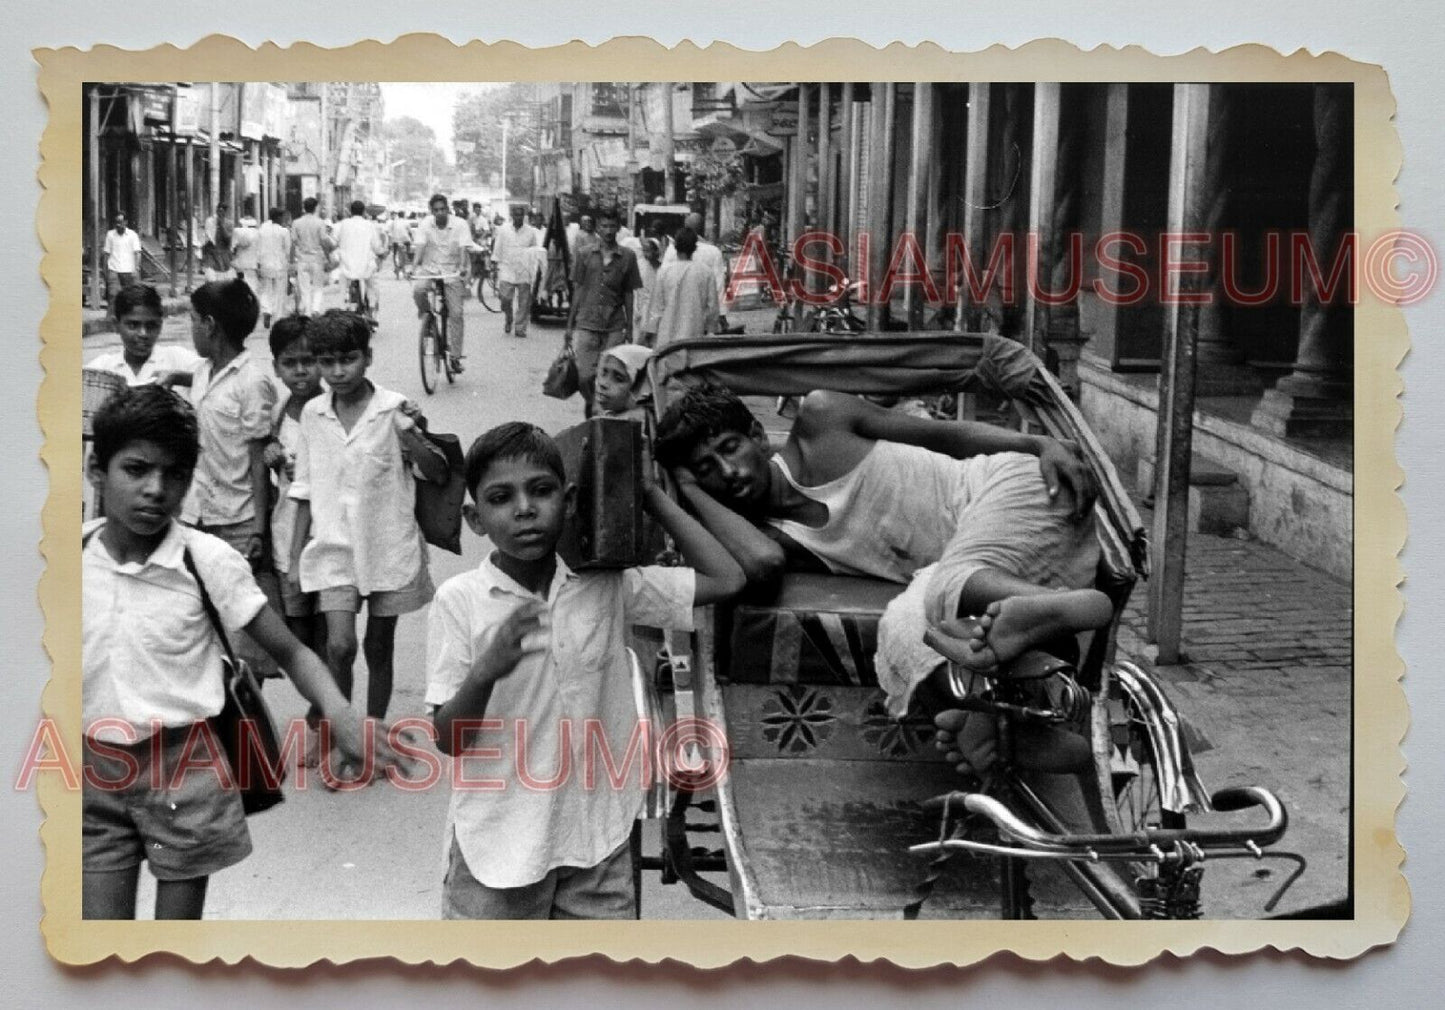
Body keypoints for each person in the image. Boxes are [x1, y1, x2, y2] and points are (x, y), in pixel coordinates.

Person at [82, 384, 411, 919]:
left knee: (173, 947)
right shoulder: (68, 559)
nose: (155, 490)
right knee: (102, 940)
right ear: (98, 470)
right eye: (136, 469)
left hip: (186, 772)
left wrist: (343, 716)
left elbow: (293, 652)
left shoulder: (206, 561)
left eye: (174, 475)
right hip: (95, 772)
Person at [425, 422, 744, 919]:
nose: (525, 509)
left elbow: (727, 577)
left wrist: (647, 495)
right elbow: (448, 740)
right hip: (498, 848)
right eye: (501, 498)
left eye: (542, 491)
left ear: (569, 501)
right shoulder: (461, 601)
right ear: (475, 518)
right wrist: (485, 672)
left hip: (597, 839)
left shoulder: (606, 586)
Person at [653, 383, 1110, 728]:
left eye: (730, 448)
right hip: (965, 573)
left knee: (948, 583)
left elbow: (947, 436)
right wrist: (689, 490)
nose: (729, 473)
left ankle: (1057, 608)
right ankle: (998, 730)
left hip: (1015, 488)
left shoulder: (822, 418)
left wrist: (1039, 445)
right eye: (707, 469)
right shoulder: (777, 539)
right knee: (903, 633)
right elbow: (760, 564)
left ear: (757, 434)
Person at [287, 311, 449, 735]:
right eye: (326, 361)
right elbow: (303, 488)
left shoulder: (393, 410)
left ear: (368, 357)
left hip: (388, 548)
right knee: (339, 645)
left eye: (348, 359)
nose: (337, 371)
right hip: (333, 550)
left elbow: (436, 471)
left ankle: (373, 732)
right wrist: (292, 559)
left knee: (379, 646)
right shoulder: (313, 414)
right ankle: (344, 733)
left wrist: (413, 436)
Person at [263, 316, 327, 682]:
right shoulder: (278, 412)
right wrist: (272, 457)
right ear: (277, 367)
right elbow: (278, 468)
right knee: (299, 630)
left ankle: (329, 708)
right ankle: (321, 698)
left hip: (329, 538)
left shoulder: (334, 408)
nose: (301, 371)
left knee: (332, 635)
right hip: (288, 537)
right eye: (290, 363)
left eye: (309, 360)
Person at [564, 205, 643, 417]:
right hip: (587, 323)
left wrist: (629, 327)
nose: (608, 231)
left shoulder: (628, 256)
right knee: (584, 376)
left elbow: (628, 293)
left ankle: (601, 414)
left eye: (612, 226)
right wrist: (570, 325)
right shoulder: (584, 254)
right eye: (604, 226)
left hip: (614, 325)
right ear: (598, 228)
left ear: (618, 228)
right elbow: (578, 290)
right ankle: (594, 404)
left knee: (610, 374)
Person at [411, 193, 479, 373]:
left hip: (453, 270)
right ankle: (427, 316)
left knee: (456, 313)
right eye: (436, 210)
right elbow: (420, 247)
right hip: (430, 268)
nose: (440, 213)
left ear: (447, 209)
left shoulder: (460, 224)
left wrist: (463, 267)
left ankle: (455, 357)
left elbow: (464, 248)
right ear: (431, 211)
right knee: (418, 289)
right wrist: (413, 266)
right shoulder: (425, 224)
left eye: (443, 209)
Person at [87, 283, 198, 387]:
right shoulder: (101, 369)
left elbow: (213, 379)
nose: (143, 334)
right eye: (133, 325)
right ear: (116, 325)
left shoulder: (177, 359)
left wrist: (181, 378)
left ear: (160, 325)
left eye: (151, 326)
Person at [642, 227, 719, 349]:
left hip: (667, 340)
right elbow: (712, 310)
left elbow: (656, 309)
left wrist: (649, 334)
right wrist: (710, 330)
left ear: (675, 246)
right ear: (695, 247)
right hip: (694, 337)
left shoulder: (664, 272)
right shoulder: (706, 272)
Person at [661, 212, 729, 332]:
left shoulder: (672, 250)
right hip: (700, 313)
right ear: (702, 228)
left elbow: (663, 282)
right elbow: (718, 286)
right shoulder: (713, 252)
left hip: (674, 311)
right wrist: (721, 314)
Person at [492, 203, 539, 339]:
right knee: (505, 298)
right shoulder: (504, 230)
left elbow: (534, 250)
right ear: (512, 215)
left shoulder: (530, 231)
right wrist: (494, 264)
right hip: (507, 268)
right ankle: (508, 316)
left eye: (521, 214)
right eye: (516, 214)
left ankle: (520, 328)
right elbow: (498, 247)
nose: (519, 217)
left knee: (524, 301)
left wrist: (534, 268)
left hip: (524, 270)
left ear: (524, 216)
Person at [336, 200, 386, 320]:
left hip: (347, 265)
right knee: (372, 285)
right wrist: (381, 253)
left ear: (350, 212)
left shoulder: (343, 224)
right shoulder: (369, 225)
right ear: (364, 212)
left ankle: (343, 307)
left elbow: (335, 241)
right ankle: (372, 309)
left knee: (343, 286)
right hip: (365, 266)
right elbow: (376, 246)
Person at [290, 196, 334, 316]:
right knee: (318, 286)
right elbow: (324, 241)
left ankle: (307, 312)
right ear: (315, 208)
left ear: (304, 208)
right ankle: (315, 309)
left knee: (304, 288)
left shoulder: (296, 223)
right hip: (317, 259)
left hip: (302, 259)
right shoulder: (320, 222)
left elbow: (293, 242)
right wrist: (328, 257)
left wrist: (291, 261)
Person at [592, 344, 653, 423]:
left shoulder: (633, 423)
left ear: (641, 388)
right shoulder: (612, 416)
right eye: (604, 373)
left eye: (618, 379)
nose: (603, 384)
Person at [255, 207, 292, 328]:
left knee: (266, 290)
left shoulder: (262, 230)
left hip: (265, 264)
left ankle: (267, 310)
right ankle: (277, 318)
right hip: (279, 265)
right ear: (278, 217)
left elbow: (258, 248)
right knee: (279, 292)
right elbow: (287, 250)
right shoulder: (284, 231)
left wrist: (258, 263)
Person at [102, 212, 143, 304]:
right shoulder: (110, 235)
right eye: (116, 222)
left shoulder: (133, 235)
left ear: (126, 222)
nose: (118, 224)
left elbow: (137, 253)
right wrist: (105, 271)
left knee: (129, 297)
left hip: (129, 271)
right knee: (113, 295)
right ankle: (112, 317)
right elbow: (106, 253)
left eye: (120, 222)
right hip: (114, 269)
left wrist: (136, 269)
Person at [632, 238, 661, 343]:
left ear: (656, 251)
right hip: (641, 308)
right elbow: (635, 288)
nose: (646, 254)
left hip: (656, 310)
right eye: (644, 250)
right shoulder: (640, 266)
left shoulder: (662, 269)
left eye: (648, 251)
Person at [201, 203, 234, 283]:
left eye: (223, 211)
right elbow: (207, 238)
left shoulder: (229, 224)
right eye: (219, 210)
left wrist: (221, 225)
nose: (220, 213)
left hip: (223, 257)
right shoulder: (210, 221)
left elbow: (228, 240)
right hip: (211, 255)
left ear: (226, 212)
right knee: (210, 279)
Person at [230, 215, 260, 292]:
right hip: (254, 264)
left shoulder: (237, 231)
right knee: (253, 286)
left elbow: (232, 247)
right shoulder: (258, 233)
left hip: (240, 264)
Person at [388, 210, 412, 278]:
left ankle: (396, 268)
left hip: (395, 241)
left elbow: (390, 232)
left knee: (395, 255)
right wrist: (412, 238)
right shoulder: (406, 222)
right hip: (405, 240)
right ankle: (407, 258)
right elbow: (410, 231)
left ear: (398, 215)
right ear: (404, 215)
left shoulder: (394, 222)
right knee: (407, 254)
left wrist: (390, 242)